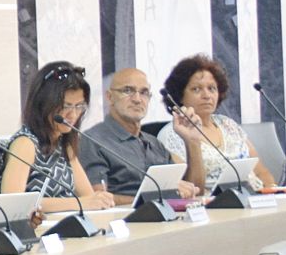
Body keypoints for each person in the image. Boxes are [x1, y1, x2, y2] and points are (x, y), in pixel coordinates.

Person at [0, 60, 117, 212]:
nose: (73, 114)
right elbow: (12, 203)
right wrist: (81, 203)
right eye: (66, 106)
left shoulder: (64, 144)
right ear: (44, 104)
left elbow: (88, 196)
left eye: (79, 106)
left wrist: (100, 199)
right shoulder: (25, 143)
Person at [160, 53, 277, 191]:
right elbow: (188, 188)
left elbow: (261, 172)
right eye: (196, 89)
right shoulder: (171, 135)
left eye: (212, 88)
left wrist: (273, 191)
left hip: (256, 199)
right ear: (179, 95)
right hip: (216, 207)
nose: (207, 95)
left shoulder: (228, 124)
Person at [82, 67, 200, 200]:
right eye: (127, 90)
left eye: (144, 92)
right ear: (109, 97)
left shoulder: (154, 143)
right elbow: (96, 198)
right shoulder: (92, 140)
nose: (137, 99)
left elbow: (194, 189)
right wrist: (154, 198)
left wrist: (192, 142)